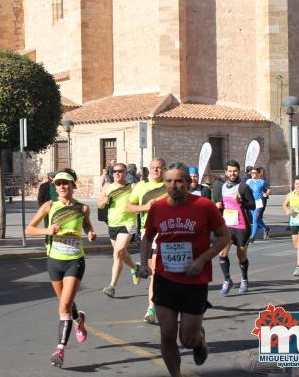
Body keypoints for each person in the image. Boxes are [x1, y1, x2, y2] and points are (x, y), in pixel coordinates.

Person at [138, 162, 230, 377]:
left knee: (187, 340)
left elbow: (224, 237)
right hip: (165, 278)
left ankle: (199, 340)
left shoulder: (204, 206)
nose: (174, 185)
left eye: (179, 181)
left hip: (195, 281)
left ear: (188, 183)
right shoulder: (157, 207)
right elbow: (147, 237)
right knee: (167, 334)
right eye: (169, 181)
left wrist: (202, 259)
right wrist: (143, 264)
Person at [25, 169, 96, 368]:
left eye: (66, 183)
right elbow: (29, 229)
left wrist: (90, 233)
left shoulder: (82, 208)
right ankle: (78, 319)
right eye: (58, 184)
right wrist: (46, 230)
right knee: (66, 303)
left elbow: (88, 226)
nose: (62, 187)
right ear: (55, 187)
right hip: (54, 260)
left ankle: (60, 351)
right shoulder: (49, 206)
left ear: (73, 186)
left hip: (75, 260)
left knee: (63, 306)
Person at [127, 158, 168, 324]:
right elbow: (129, 207)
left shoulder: (169, 186)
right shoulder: (141, 186)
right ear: (149, 169)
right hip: (148, 233)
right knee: (155, 273)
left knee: (158, 273)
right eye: (153, 168)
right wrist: (146, 207)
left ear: (164, 169)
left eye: (159, 168)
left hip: (166, 233)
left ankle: (153, 307)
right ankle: (154, 306)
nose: (156, 170)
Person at [212, 160, 256, 295]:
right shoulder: (220, 186)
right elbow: (217, 203)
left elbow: (252, 205)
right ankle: (227, 280)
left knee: (241, 256)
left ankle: (244, 279)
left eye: (235, 171)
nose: (232, 173)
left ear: (239, 171)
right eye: (230, 171)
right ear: (226, 172)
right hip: (227, 226)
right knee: (222, 253)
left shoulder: (243, 187)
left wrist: (241, 201)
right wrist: (217, 206)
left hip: (242, 226)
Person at [98, 163, 141, 298]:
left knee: (118, 252)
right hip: (113, 224)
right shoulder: (108, 187)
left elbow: (142, 197)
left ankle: (112, 286)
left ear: (126, 172)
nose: (116, 173)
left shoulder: (132, 186)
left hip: (128, 223)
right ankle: (135, 268)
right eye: (114, 171)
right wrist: (103, 201)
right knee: (121, 254)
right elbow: (100, 204)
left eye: (120, 171)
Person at [246, 167, 271, 243]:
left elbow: (268, 188)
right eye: (252, 173)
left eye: (255, 173)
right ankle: (266, 229)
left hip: (259, 202)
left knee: (255, 219)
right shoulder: (248, 181)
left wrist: (266, 193)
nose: (253, 174)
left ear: (258, 174)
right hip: (251, 202)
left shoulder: (262, 182)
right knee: (257, 219)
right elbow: (244, 189)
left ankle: (252, 237)